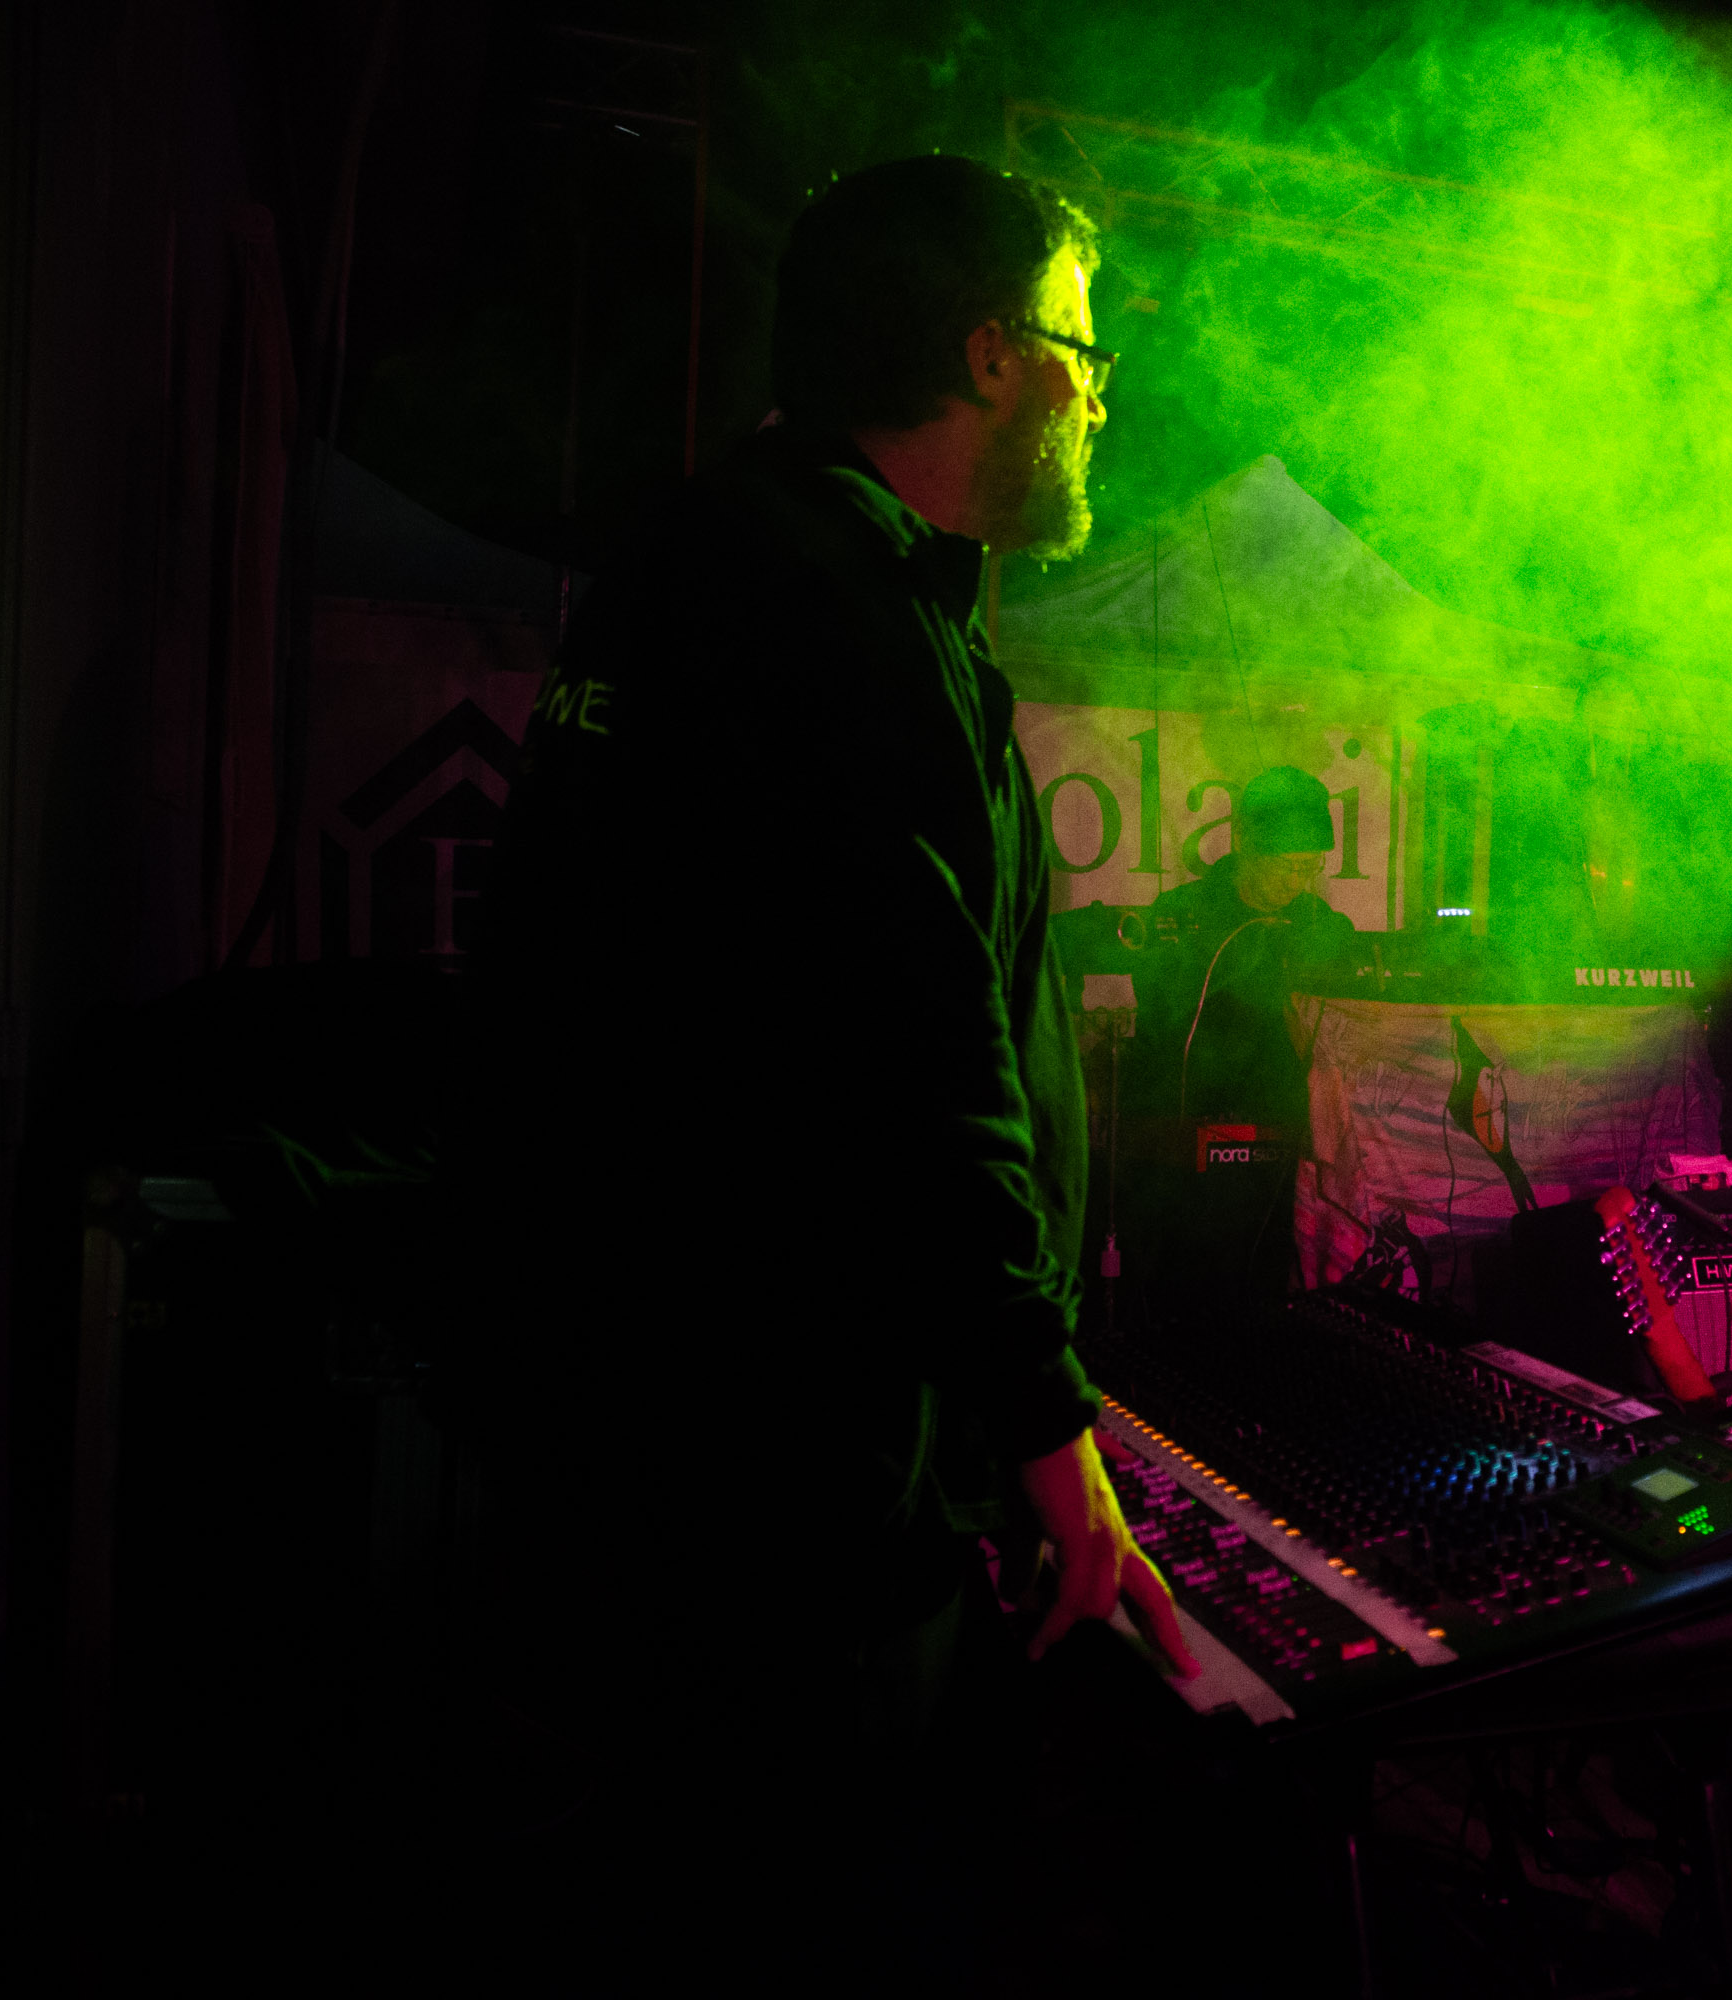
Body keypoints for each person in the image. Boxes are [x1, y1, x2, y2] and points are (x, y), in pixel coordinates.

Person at [464, 156, 1200, 1980]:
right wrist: (1044, 1432)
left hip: (672, 1451)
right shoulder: (836, 618)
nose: (1101, 396)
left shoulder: (706, 561)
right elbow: (917, 1057)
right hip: (795, 1498)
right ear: (990, 356)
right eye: (1083, 349)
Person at [1121, 765, 1363, 1312]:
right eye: (1286, 865)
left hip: (1287, 1151)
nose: (1296, 881)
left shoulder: (1320, 925)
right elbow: (1160, 1019)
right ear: (1244, 843)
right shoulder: (1181, 916)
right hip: (1191, 1153)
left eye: (1309, 866)